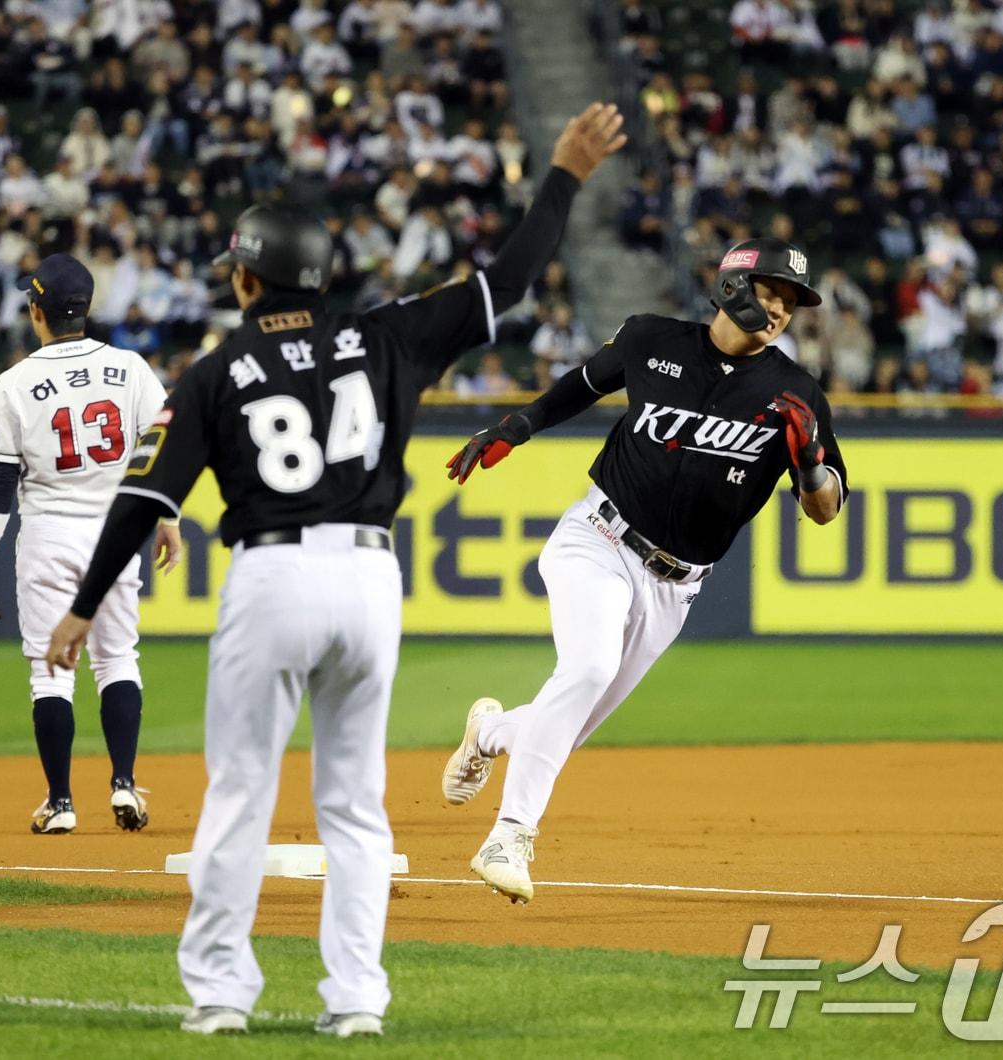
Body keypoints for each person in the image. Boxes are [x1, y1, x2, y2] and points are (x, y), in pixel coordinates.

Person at [43, 103, 626, 1037]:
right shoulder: (387, 335)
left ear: (247, 278)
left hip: (270, 580)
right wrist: (564, 174)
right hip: (366, 580)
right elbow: (510, 279)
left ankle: (221, 996)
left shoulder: (218, 370)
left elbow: (145, 497)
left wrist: (82, 606)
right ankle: (356, 1001)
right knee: (354, 805)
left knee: (241, 793)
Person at [442, 237, 849, 904]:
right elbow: (582, 385)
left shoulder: (795, 392)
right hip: (598, 539)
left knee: (566, 726)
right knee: (588, 669)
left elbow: (826, 509)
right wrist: (516, 427)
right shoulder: (652, 339)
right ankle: (508, 836)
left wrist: (809, 464)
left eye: (792, 302)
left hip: (674, 588)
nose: (781, 310)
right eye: (771, 292)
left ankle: (488, 732)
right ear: (731, 288)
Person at [0, 253, 182, 835]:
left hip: (49, 535)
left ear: (36, 312)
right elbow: (161, 447)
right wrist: (167, 516)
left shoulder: (12, 384)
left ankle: (60, 803)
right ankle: (124, 784)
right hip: (116, 532)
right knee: (117, 659)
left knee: (50, 672)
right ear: (85, 308)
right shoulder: (130, 368)